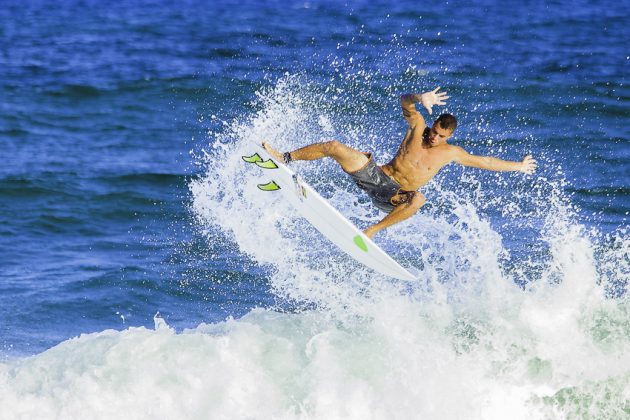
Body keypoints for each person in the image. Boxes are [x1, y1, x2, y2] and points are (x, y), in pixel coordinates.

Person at [263, 87, 537, 239]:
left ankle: (371, 231)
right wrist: (420, 98)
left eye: (440, 136)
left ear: (449, 136)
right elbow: (405, 102)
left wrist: (519, 166)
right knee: (334, 146)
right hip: (376, 177)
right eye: (433, 130)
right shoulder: (418, 127)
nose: (432, 136)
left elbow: (486, 162)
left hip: (394, 197)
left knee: (419, 200)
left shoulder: (452, 153)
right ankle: (283, 157)